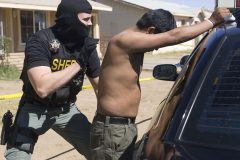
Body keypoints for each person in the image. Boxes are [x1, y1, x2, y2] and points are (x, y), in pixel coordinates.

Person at [90, 7, 231, 160]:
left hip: (119, 129)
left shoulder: (129, 43)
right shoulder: (124, 40)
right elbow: (173, 36)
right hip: (112, 130)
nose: (156, 48)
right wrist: (211, 21)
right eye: (156, 43)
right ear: (150, 31)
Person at [4, 0, 100, 159]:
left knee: (99, 152)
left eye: (91, 19)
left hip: (66, 110)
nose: (90, 24)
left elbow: (101, 88)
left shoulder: (86, 46)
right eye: (85, 19)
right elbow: (42, 88)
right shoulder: (39, 40)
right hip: (35, 109)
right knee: (16, 156)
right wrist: (79, 63)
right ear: (70, 19)